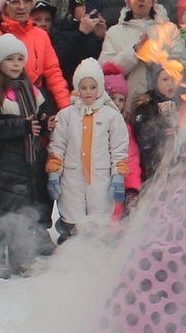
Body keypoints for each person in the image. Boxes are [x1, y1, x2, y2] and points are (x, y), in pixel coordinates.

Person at [0, 31, 51, 276]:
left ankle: (21, 257)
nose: (16, 64)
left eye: (19, 59)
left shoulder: (32, 91)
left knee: (22, 212)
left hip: (28, 162)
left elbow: (41, 116)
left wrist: (45, 123)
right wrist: (21, 126)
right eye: (10, 59)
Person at [46, 57, 130, 240]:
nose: (88, 92)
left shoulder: (112, 117)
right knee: (72, 214)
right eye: (83, 88)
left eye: (92, 87)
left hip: (100, 178)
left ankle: (95, 252)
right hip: (72, 178)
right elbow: (57, 145)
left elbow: (119, 148)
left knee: (98, 219)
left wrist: (118, 175)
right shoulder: (66, 115)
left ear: (99, 87)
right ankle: (69, 250)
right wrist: (54, 172)